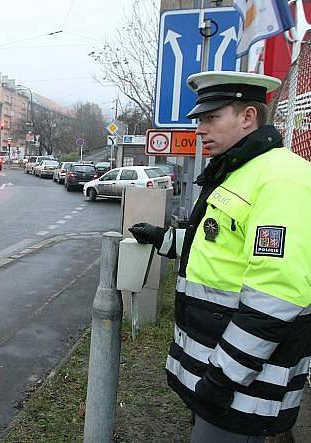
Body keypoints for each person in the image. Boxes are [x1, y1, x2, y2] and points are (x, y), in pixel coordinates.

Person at [129, 71, 311, 442]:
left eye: (212, 118)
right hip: (221, 378)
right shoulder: (240, 170)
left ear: (248, 117)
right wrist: (165, 240)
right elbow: (221, 248)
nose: (200, 130)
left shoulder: (281, 179)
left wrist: (221, 378)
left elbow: (276, 296)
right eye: (200, 119)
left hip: (241, 391)